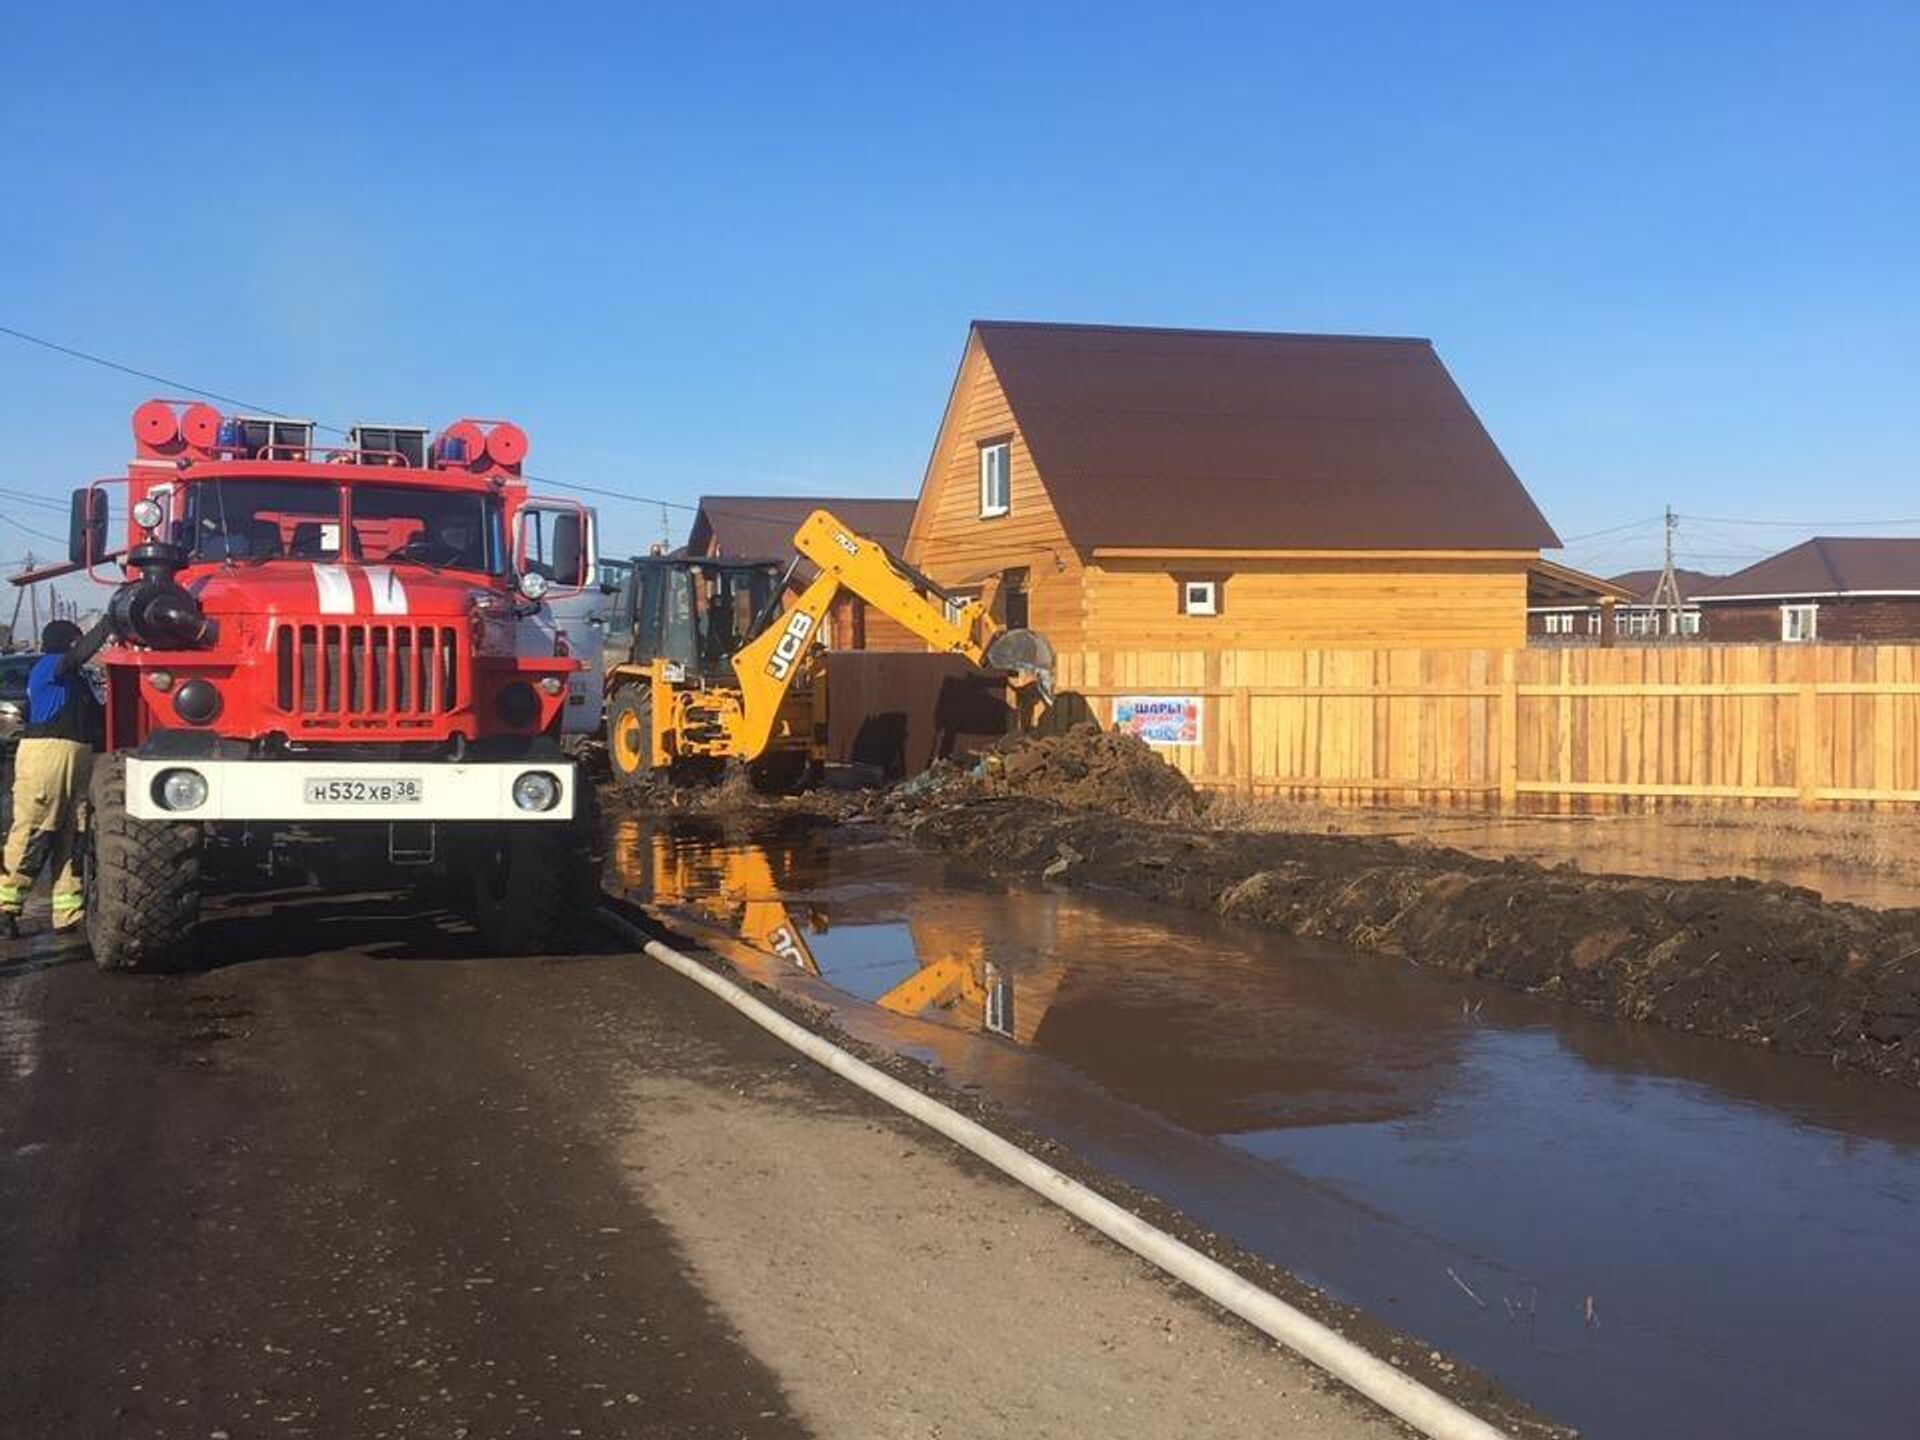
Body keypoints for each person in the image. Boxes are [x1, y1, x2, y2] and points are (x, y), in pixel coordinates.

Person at [0, 617, 110, 938]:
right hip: (46, 756)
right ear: (66, 642)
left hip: (78, 759)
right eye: (76, 640)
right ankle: (5, 906)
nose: (81, 645)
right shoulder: (49, 667)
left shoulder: (77, 681)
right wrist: (107, 624)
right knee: (35, 831)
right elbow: (76, 655)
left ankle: (67, 912)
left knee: (72, 836)